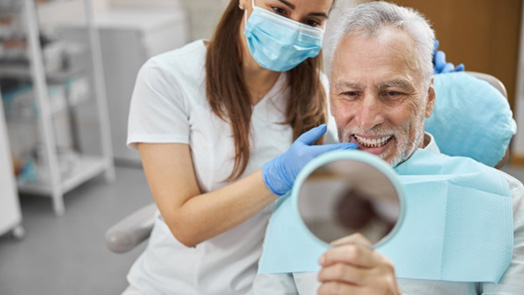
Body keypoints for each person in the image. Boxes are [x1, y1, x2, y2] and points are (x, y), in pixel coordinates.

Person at [124, 0, 460, 293]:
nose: (291, 27)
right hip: (175, 285)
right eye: (279, 9)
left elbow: (376, 154)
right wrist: (276, 176)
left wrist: (415, 82)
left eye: (312, 21)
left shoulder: (320, 92)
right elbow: (185, 225)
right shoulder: (167, 78)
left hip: (271, 280)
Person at [254, 2, 524, 295]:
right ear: (331, 99)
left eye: (392, 93)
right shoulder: (296, 205)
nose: (368, 119)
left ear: (429, 99)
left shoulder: (504, 204)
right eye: (350, 93)